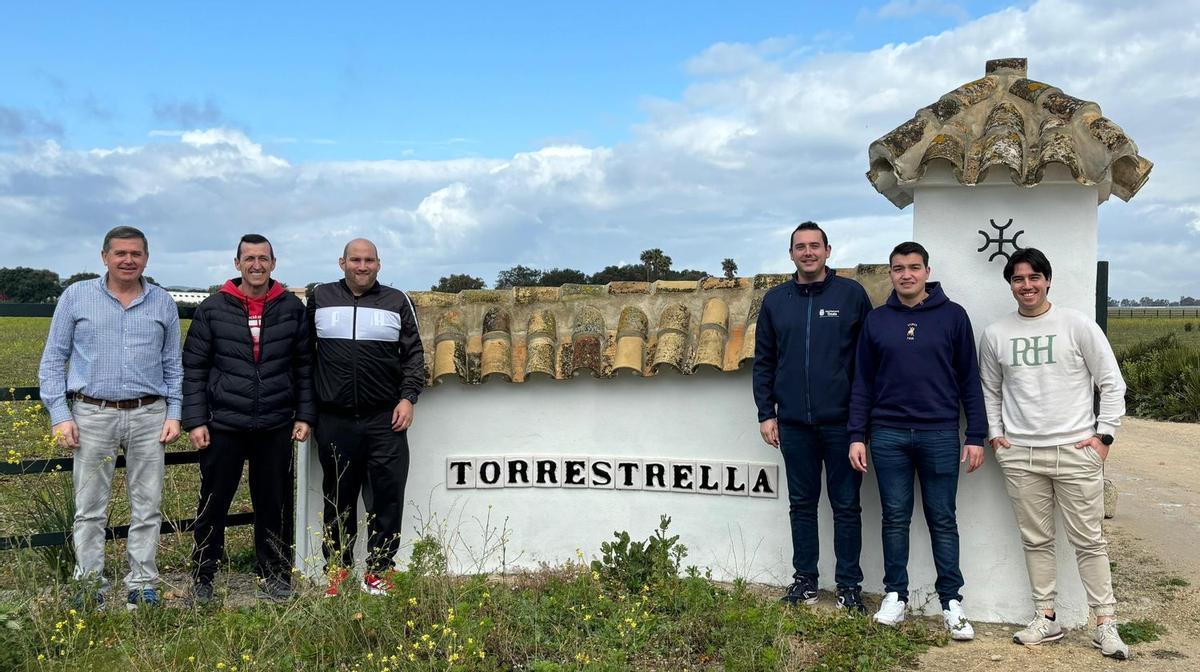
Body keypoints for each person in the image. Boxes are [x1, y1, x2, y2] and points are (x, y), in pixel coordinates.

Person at [978, 248, 1129, 660]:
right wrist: (996, 435)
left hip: (1076, 450)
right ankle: (1046, 617)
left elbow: (1112, 384)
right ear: (1010, 284)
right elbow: (990, 390)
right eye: (1018, 279)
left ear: (1048, 280)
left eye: (1034, 277)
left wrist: (1105, 437)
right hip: (1021, 454)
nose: (1026, 286)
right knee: (1036, 539)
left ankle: (1105, 623)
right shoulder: (996, 334)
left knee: (1090, 541)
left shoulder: (1077, 325)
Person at [37, 226, 182, 609]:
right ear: (104, 257)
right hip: (91, 414)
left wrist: (175, 412)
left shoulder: (162, 302)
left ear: (146, 258)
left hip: (149, 413)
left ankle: (143, 584)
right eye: (120, 253)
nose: (128, 260)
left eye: (136, 253)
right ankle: (90, 588)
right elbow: (53, 359)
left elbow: (173, 365)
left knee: (148, 505)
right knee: (89, 508)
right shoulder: (76, 297)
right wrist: (59, 415)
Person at [848, 241, 985, 640]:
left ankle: (951, 603)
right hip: (887, 435)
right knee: (894, 518)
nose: (905, 274)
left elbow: (969, 382)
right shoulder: (876, 321)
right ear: (890, 274)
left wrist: (975, 434)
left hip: (940, 434)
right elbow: (862, 384)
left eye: (913, 267)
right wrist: (858, 435)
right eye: (898, 268)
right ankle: (895, 595)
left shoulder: (954, 317)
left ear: (927, 271)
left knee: (943, 519)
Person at [182, 234, 315, 605]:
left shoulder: (290, 308)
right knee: (213, 502)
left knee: (273, 503)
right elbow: (193, 368)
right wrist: (195, 420)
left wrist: (303, 414)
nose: (256, 265)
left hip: (274, 423)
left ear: (274, 263)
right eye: (249, 258)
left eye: (263, 258)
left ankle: (273, 572)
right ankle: (204, 574)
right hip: (223, 423)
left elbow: (304, 366)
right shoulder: (213, 308)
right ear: (237, 263)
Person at [752, 221, 872, 612]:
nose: (808, 252)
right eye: (800, 247)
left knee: (846, 506)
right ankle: (805, 580)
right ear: (791, 254)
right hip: (793, 424)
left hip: (841, 423)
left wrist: (860, 422)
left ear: (828, 250)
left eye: (814, 246)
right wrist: (765, 413)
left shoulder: (852, 295)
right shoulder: (775, 301)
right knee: (802, 504)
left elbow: (866, 365)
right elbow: (765, 361)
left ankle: (848, 585)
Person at [308, 238, 425, 596]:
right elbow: (303, 354)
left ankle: (379, 572)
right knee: (338, 497)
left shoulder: (396, 301)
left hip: (384, 418)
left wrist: (408, 399)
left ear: (379, 264)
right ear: (342, 262)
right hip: (334, 418)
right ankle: (338, 572)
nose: (362, 266)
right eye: (355, 260)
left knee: (386, 498)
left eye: (369, 260)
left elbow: (414, 354)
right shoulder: (320, 297)